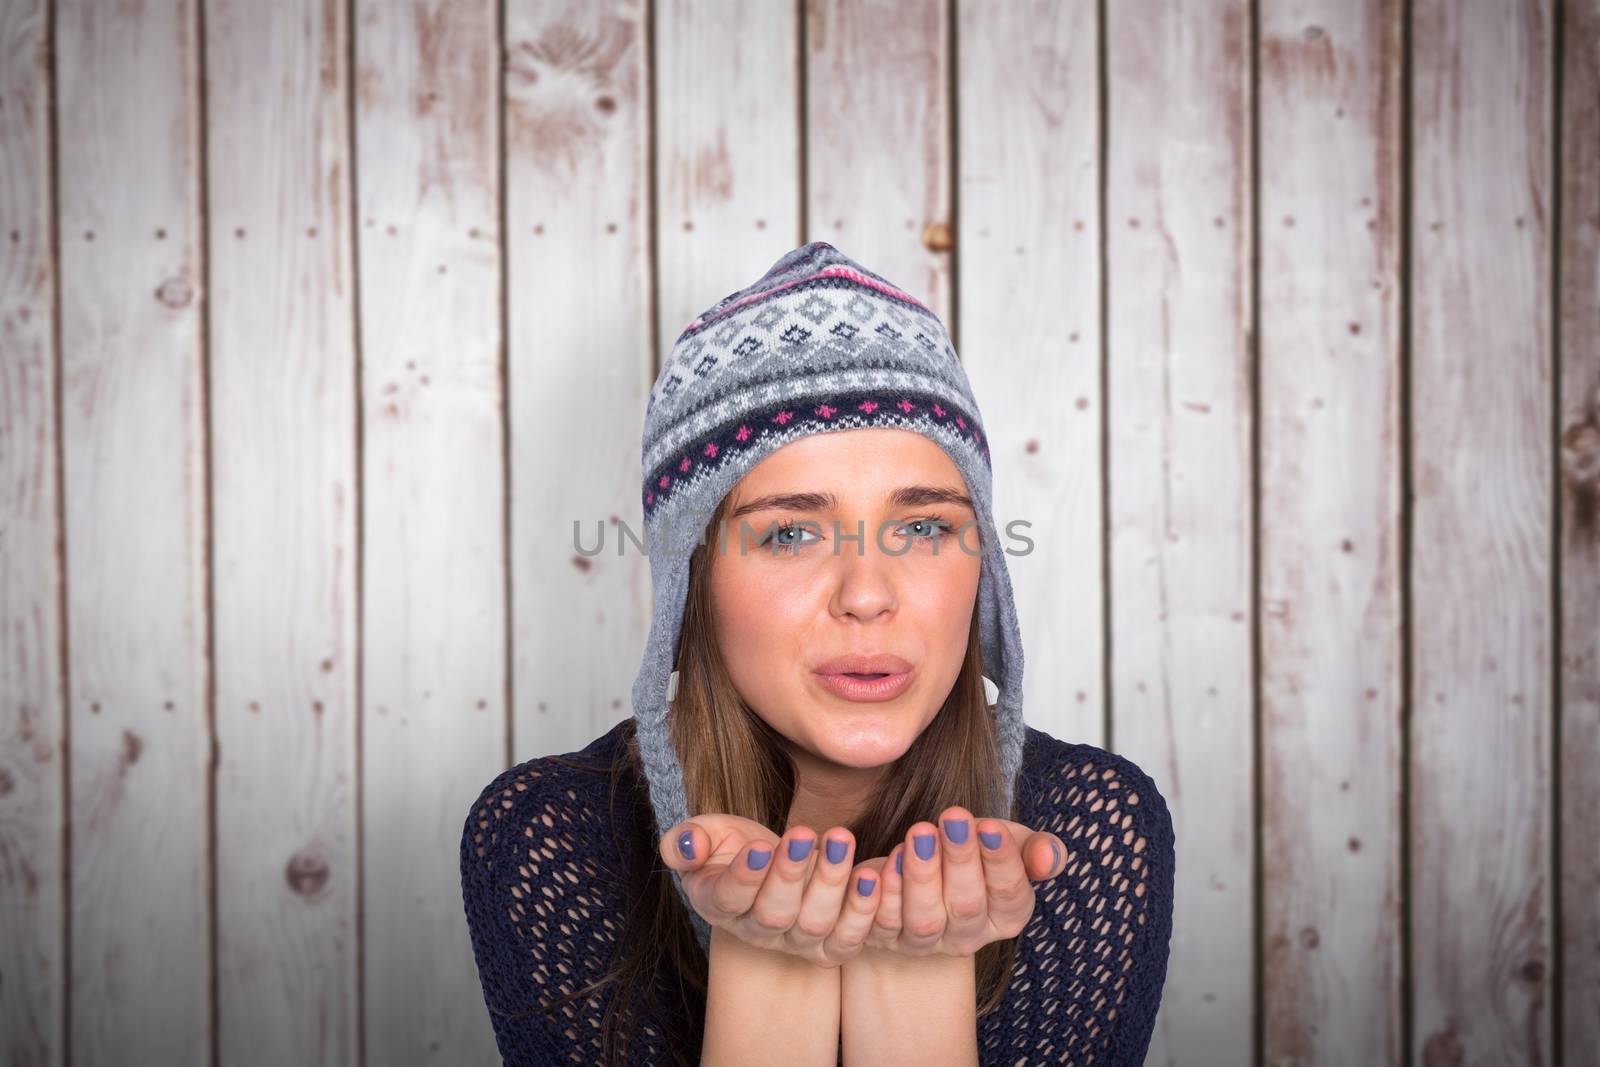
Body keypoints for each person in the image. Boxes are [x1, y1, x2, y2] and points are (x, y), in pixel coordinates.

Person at [460, 241, 1175, 1065]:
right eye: (792, 532)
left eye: (923, 525)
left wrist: (916, 973)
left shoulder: (1090, 832)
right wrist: (770, 966)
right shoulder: (550, 839)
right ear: (692, 579)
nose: (867, 593)